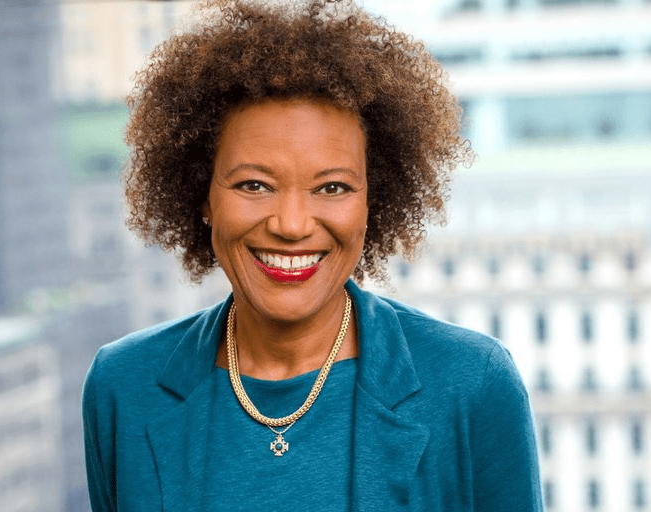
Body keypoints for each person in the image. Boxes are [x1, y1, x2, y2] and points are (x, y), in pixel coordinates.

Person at [82, 0, 543, 510]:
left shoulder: (471, 384)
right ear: (202, 194)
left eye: (332, 188)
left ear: (375, 199)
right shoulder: (123, 386)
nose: (293, 225)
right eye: (254, 184)